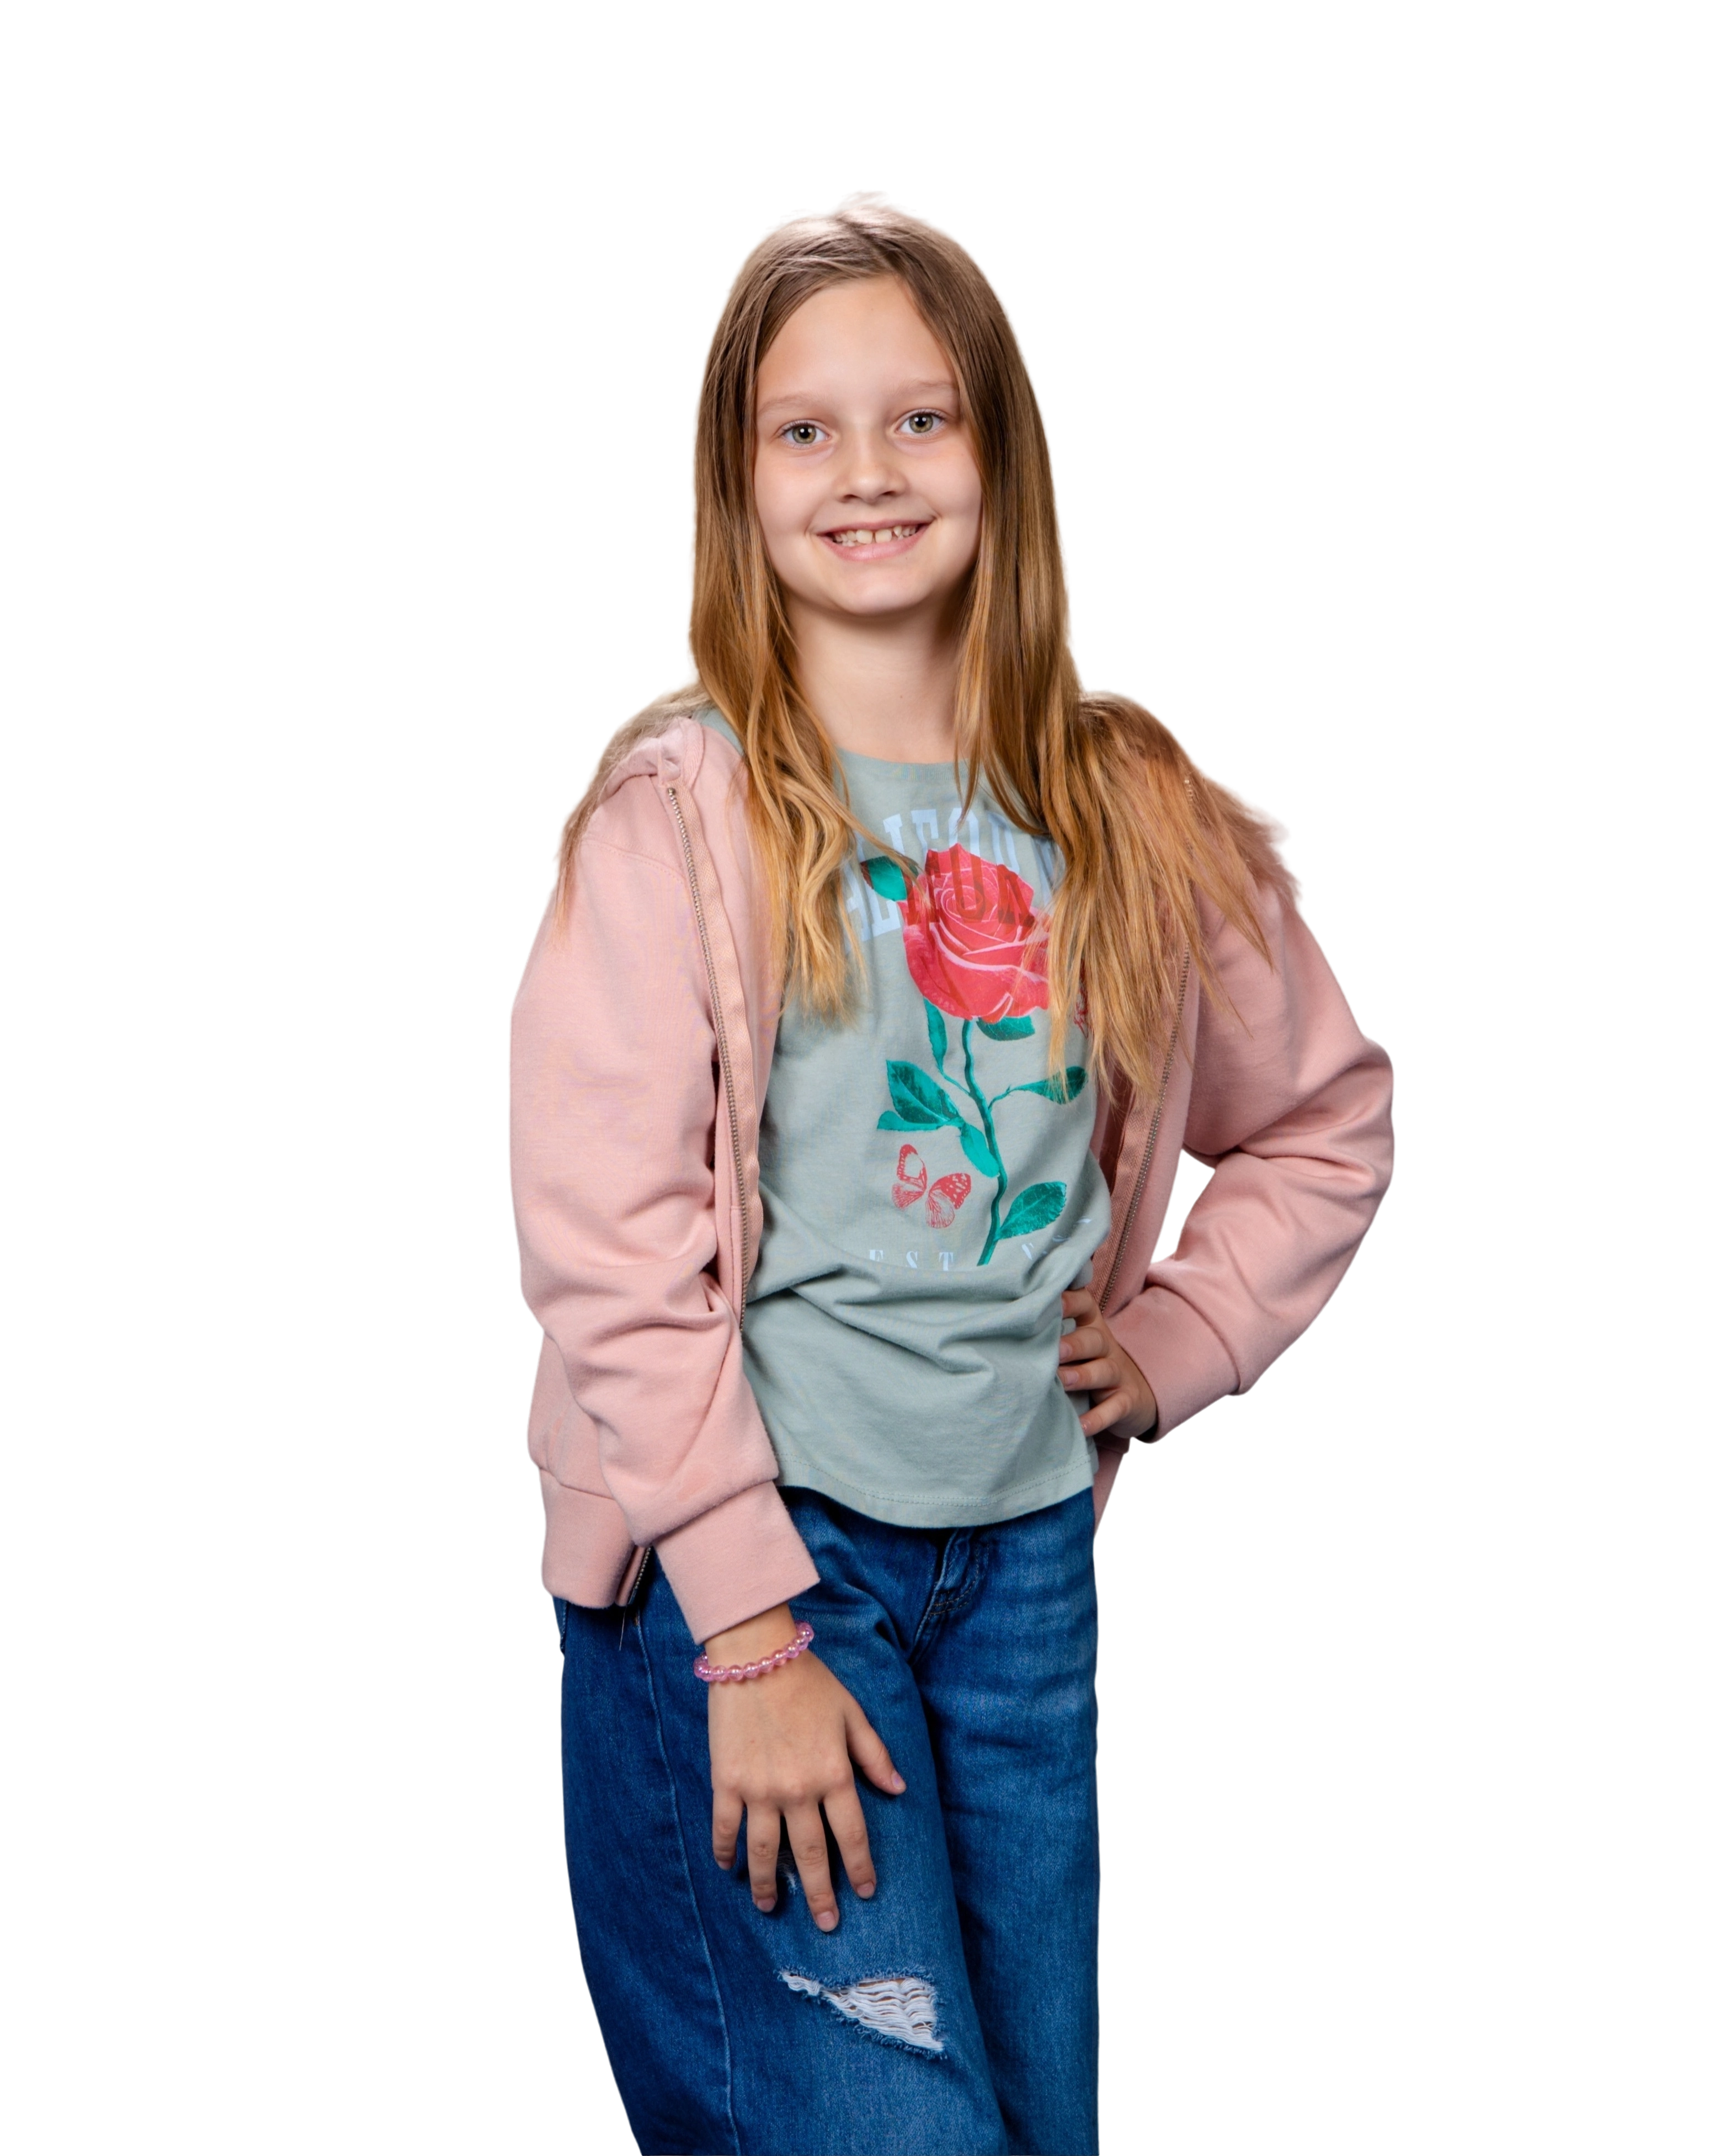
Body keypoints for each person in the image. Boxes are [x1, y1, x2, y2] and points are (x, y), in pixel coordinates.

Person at [507, 190, 1397, 2156]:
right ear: (736, 481)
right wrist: (746, 1630)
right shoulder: (678, 818)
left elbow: (1321, 1118)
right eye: (803, 430)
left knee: (1036, 2129)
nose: (868, 473)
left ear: (1003, 452)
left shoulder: (1128, 806)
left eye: (921, 418)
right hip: (759, 1562)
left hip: (1017, 1570)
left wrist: (1181, 1338)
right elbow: (609, 1252)